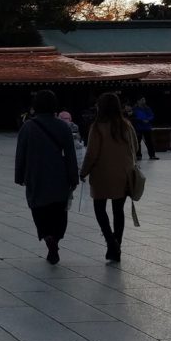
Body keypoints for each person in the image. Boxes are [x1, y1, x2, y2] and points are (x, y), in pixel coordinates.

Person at [14, 90, 79, 265]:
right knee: (59, 211)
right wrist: (73, 177)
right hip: (59, 175)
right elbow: (71, 155)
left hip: (35, 174)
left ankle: (48, 237)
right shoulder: (63, 127)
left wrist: (19, 175)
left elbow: (21, 154)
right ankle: (55, 239)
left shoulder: (27, 127)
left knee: (39, 209)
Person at [80, 93, 138, 262]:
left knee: (100, 209)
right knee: (118, 211)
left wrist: (84, 171)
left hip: (102, 174)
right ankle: (116, 243)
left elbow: (91, 154)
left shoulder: (97, 127)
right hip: (123, 174)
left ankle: (110, 241)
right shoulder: (126, 125)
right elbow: (135, 148)